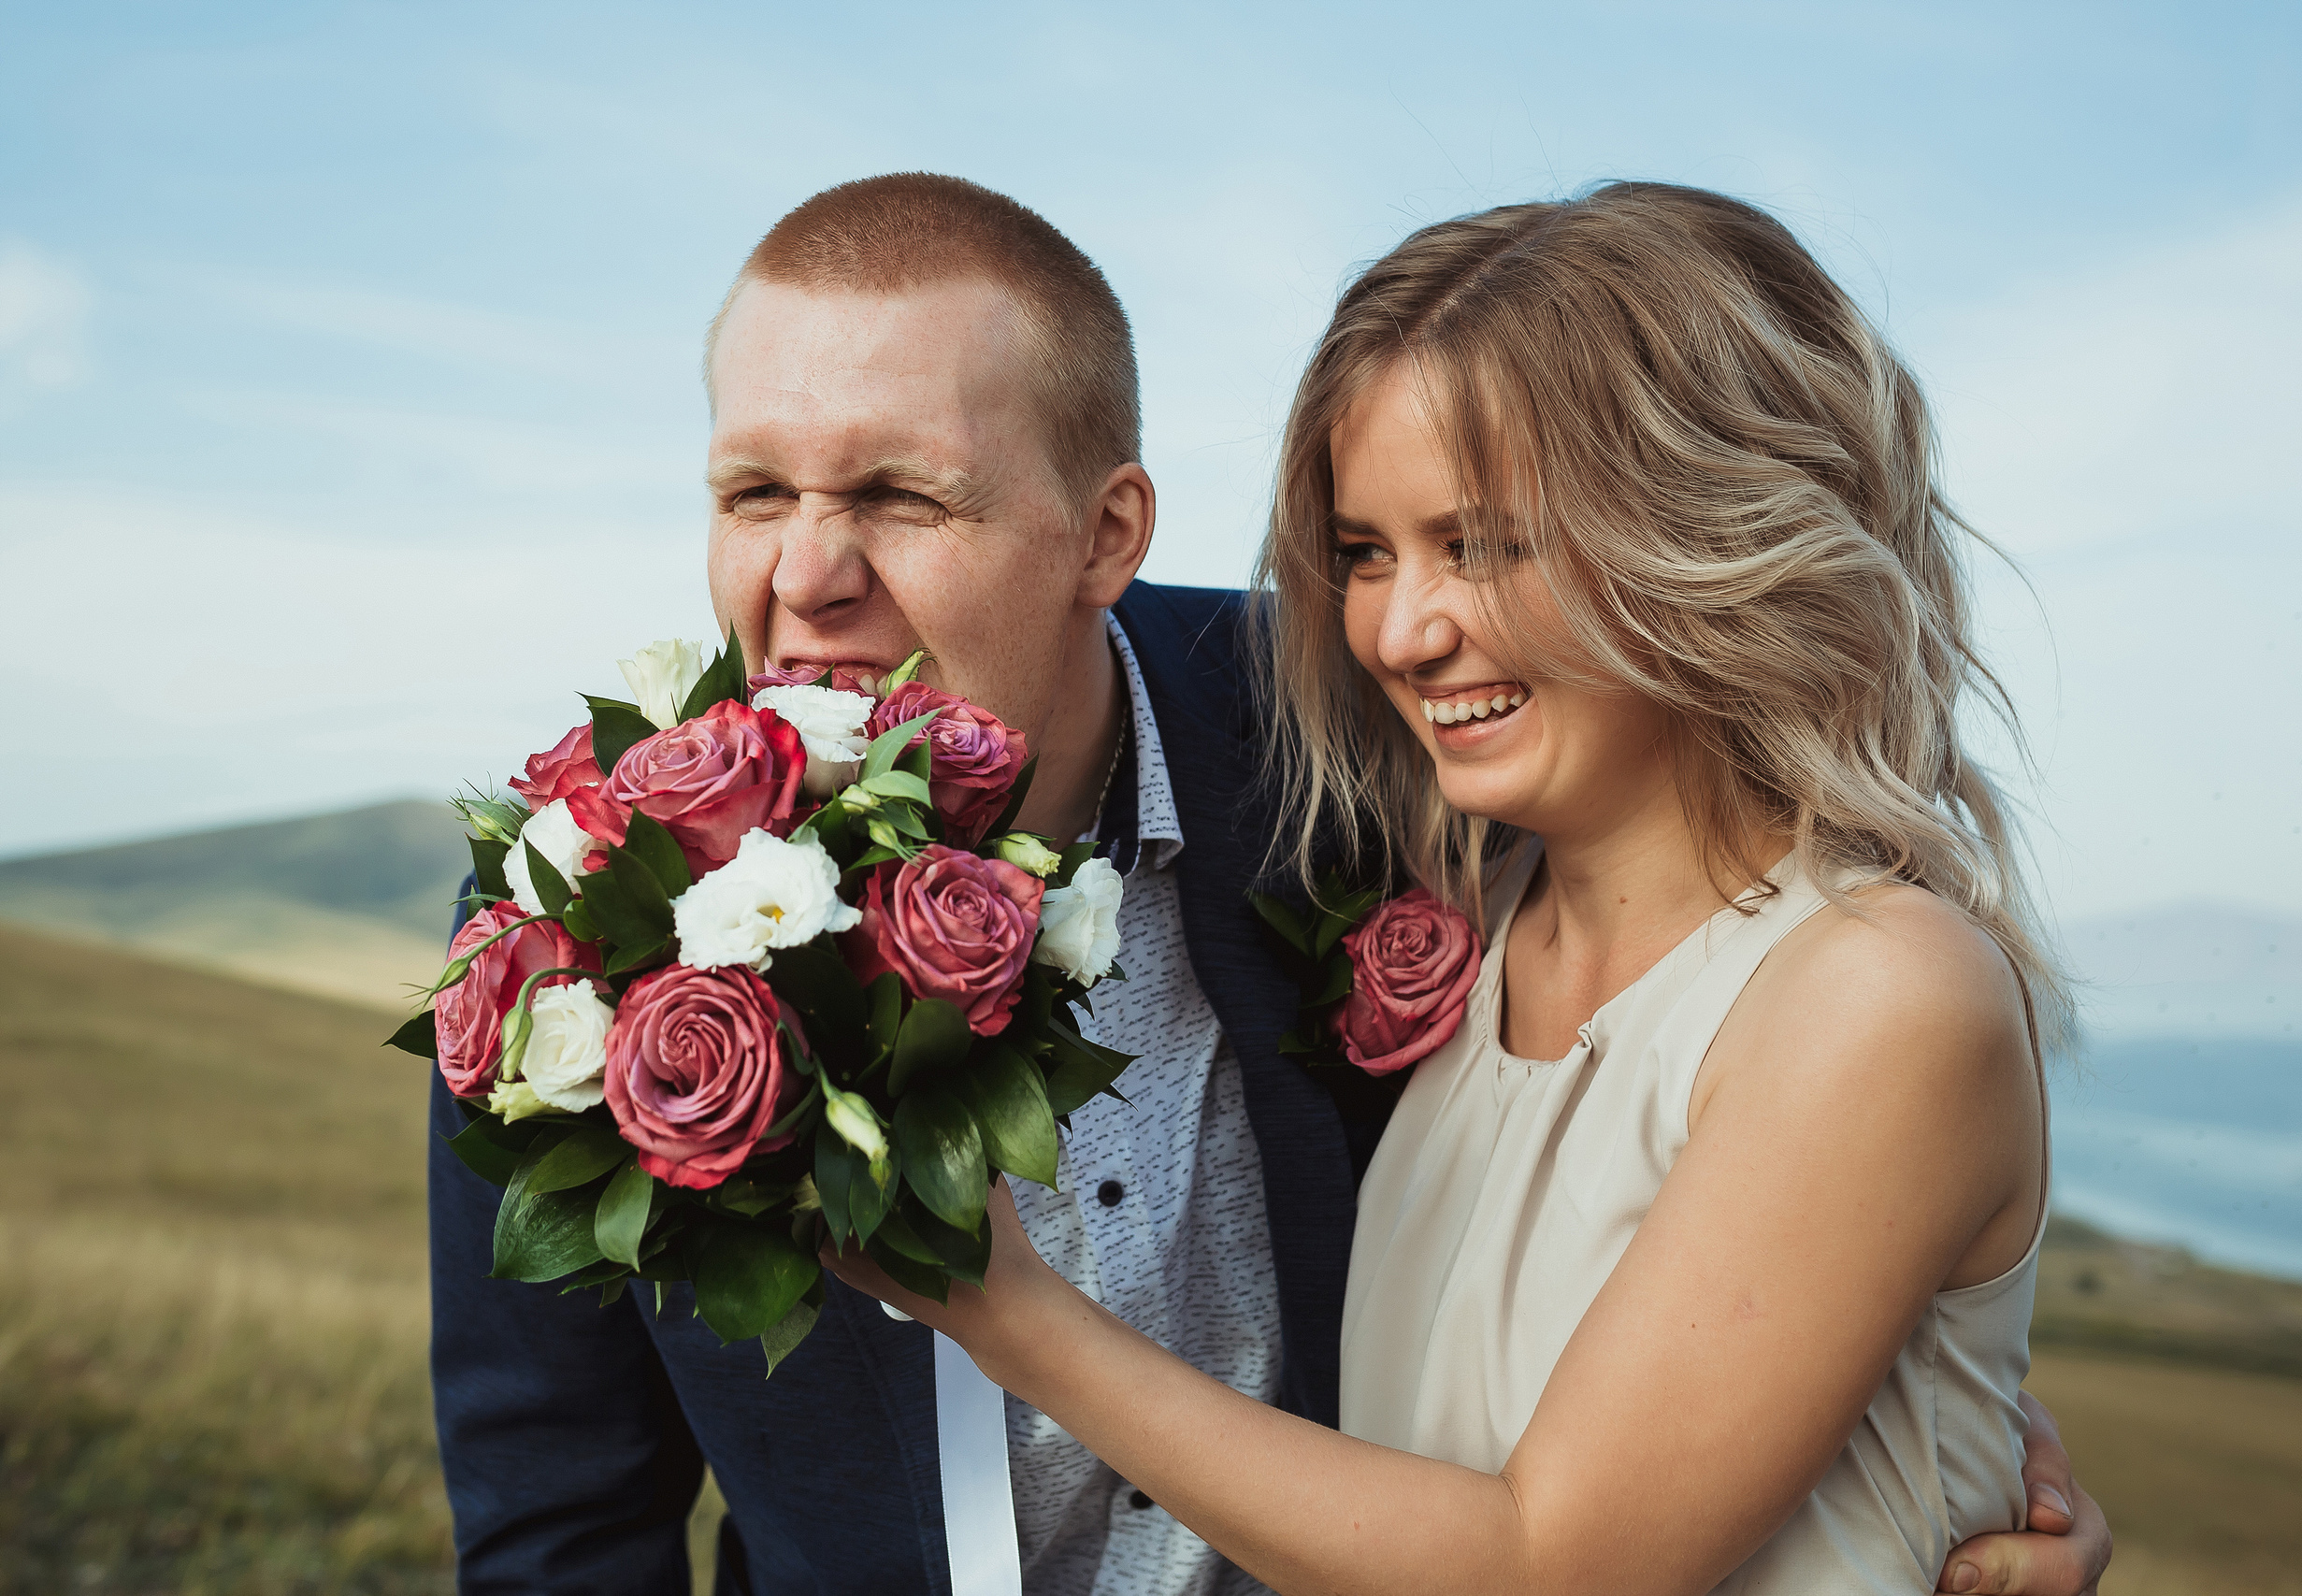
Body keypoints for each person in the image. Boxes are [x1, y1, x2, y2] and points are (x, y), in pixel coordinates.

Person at [429, 173, 2108, 1595]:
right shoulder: (583, 928)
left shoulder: (1344, 762)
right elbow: (558, 1513)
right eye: (755, 493)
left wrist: (1917, 1429)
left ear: (1109, 532)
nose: (807, 574)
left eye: (899, 494)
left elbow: (1644, 1409)